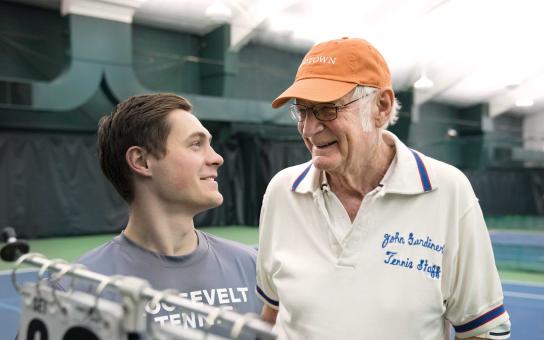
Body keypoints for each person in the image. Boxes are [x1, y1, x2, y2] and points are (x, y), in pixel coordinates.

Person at [256, 38, 511, 339]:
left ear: (381, 106)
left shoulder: (448, 191)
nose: (310, 129)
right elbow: (272, 313)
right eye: (303, 111)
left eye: (327, 110)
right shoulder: (282, 192)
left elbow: (480, 330)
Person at [73, 93, 262, 330]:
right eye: (196, 144)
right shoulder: (77, 288)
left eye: (210, 145)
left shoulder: (251, 267)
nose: (217, 158)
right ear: (141, 161)